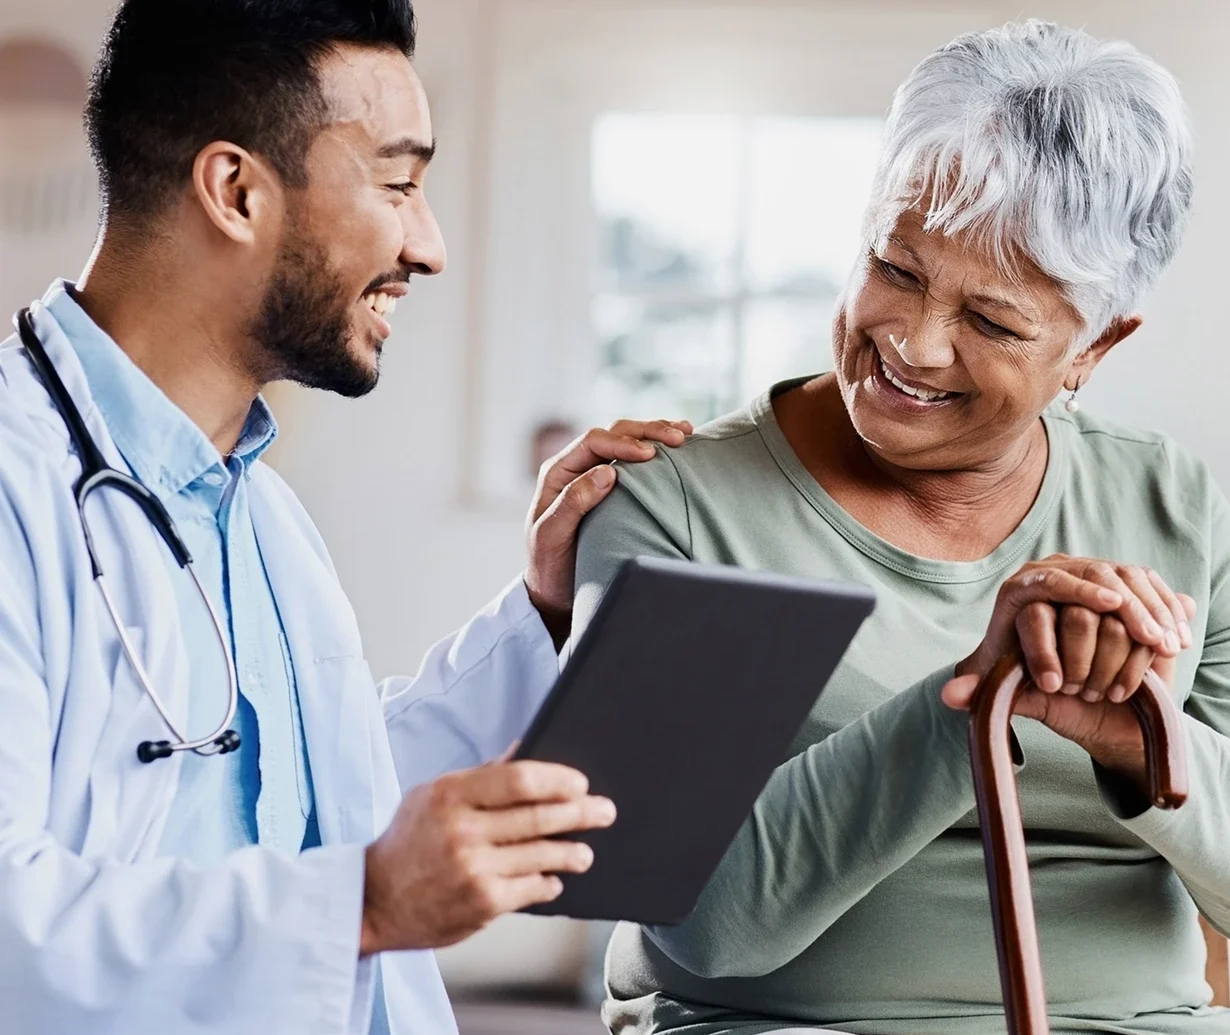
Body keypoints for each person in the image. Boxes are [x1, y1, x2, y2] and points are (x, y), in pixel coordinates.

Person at [0, 1, 693, 1032]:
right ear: (236, 191)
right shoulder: (18, 484)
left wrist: (543, 611)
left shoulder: (256, 506)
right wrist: (364, 903)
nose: (430, 247)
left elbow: (328, 798)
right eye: (401, 185)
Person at [574, 20, 1230, 1035]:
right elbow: (700, 925)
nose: (914, 345)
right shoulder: (676, 506)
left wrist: (1140, 743)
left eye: (995, 322)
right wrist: (968, 701)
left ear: (1095, 348)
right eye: (898, 268)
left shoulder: (1179, 512)